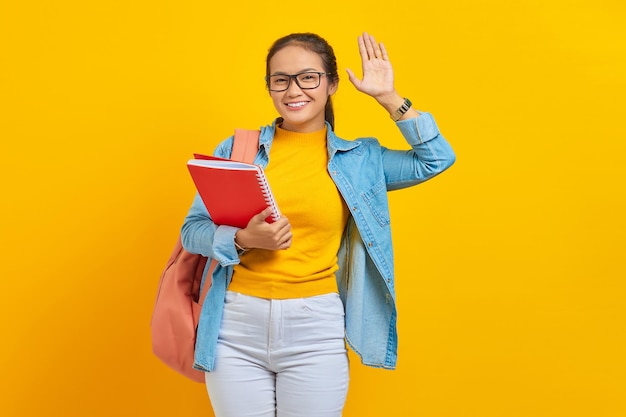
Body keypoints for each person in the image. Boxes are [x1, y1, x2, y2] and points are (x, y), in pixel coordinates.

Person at [181, 32, 455, 417]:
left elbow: (435, 159)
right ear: (270, 87)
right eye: (281, 79)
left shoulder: (360, 160)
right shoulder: (238, 150)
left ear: (331, 84)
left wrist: (388, 98)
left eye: (308, 77)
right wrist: (242, 239)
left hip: (315, 329)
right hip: (234, 326)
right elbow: (192, 231)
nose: (294, 89)